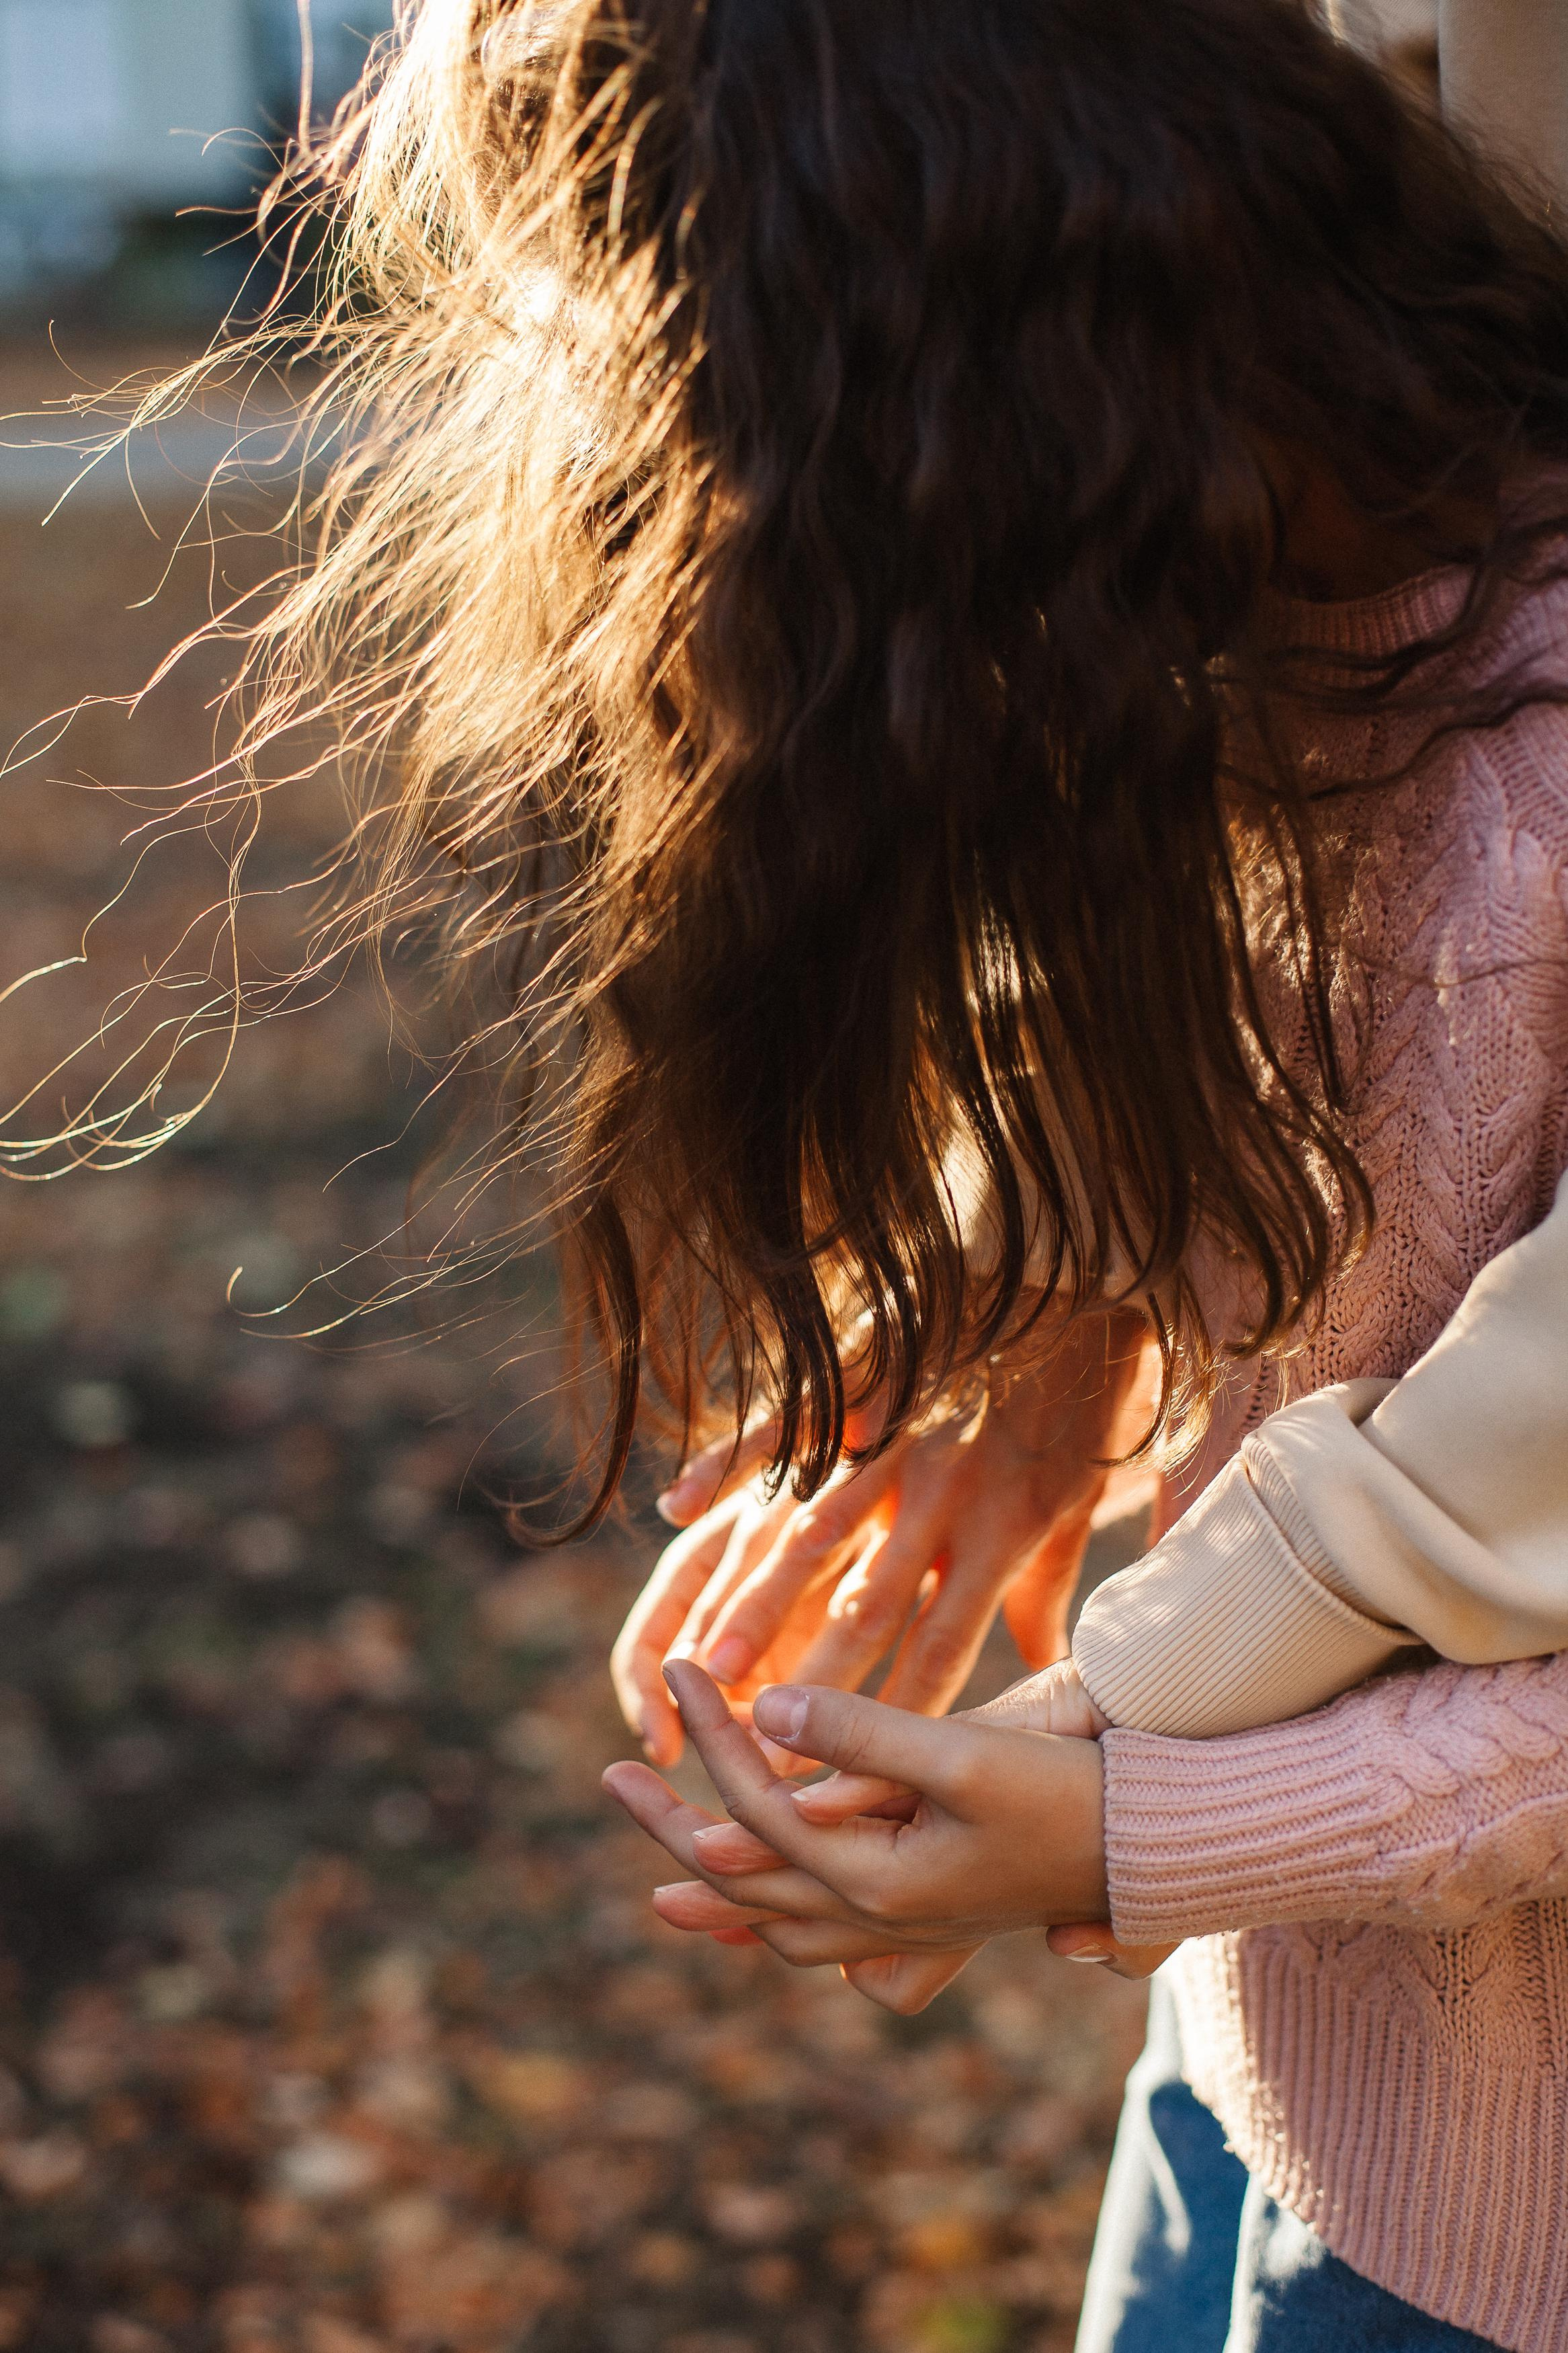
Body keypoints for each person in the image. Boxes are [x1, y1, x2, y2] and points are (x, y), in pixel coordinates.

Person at [229, 0, 1568, 2344]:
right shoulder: (1286, 601)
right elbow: (1329, 1097)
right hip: (1268, 2074)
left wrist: (1139, 1820)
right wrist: (1043, 1329)